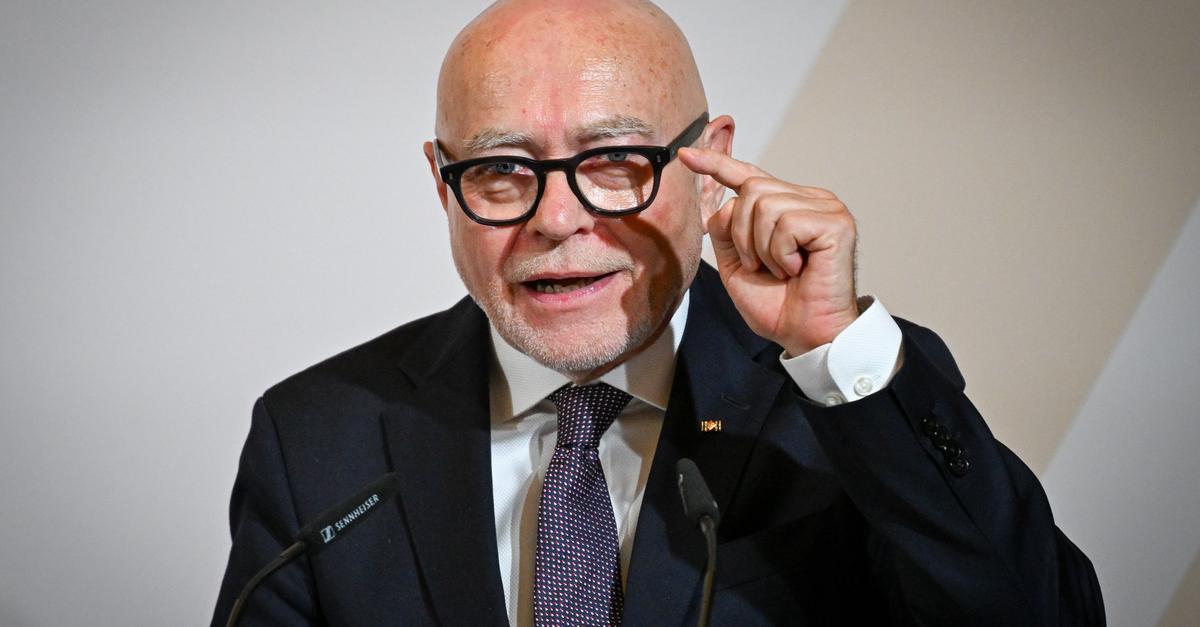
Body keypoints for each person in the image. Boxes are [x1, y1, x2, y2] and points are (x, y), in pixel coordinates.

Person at [211, 0, 1104, 625]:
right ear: (443, 185)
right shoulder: (318, 438)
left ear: (708, 165)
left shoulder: (844, 397)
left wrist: (834, 351)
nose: (557, 218)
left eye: (615, 161)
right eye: (501, 169)